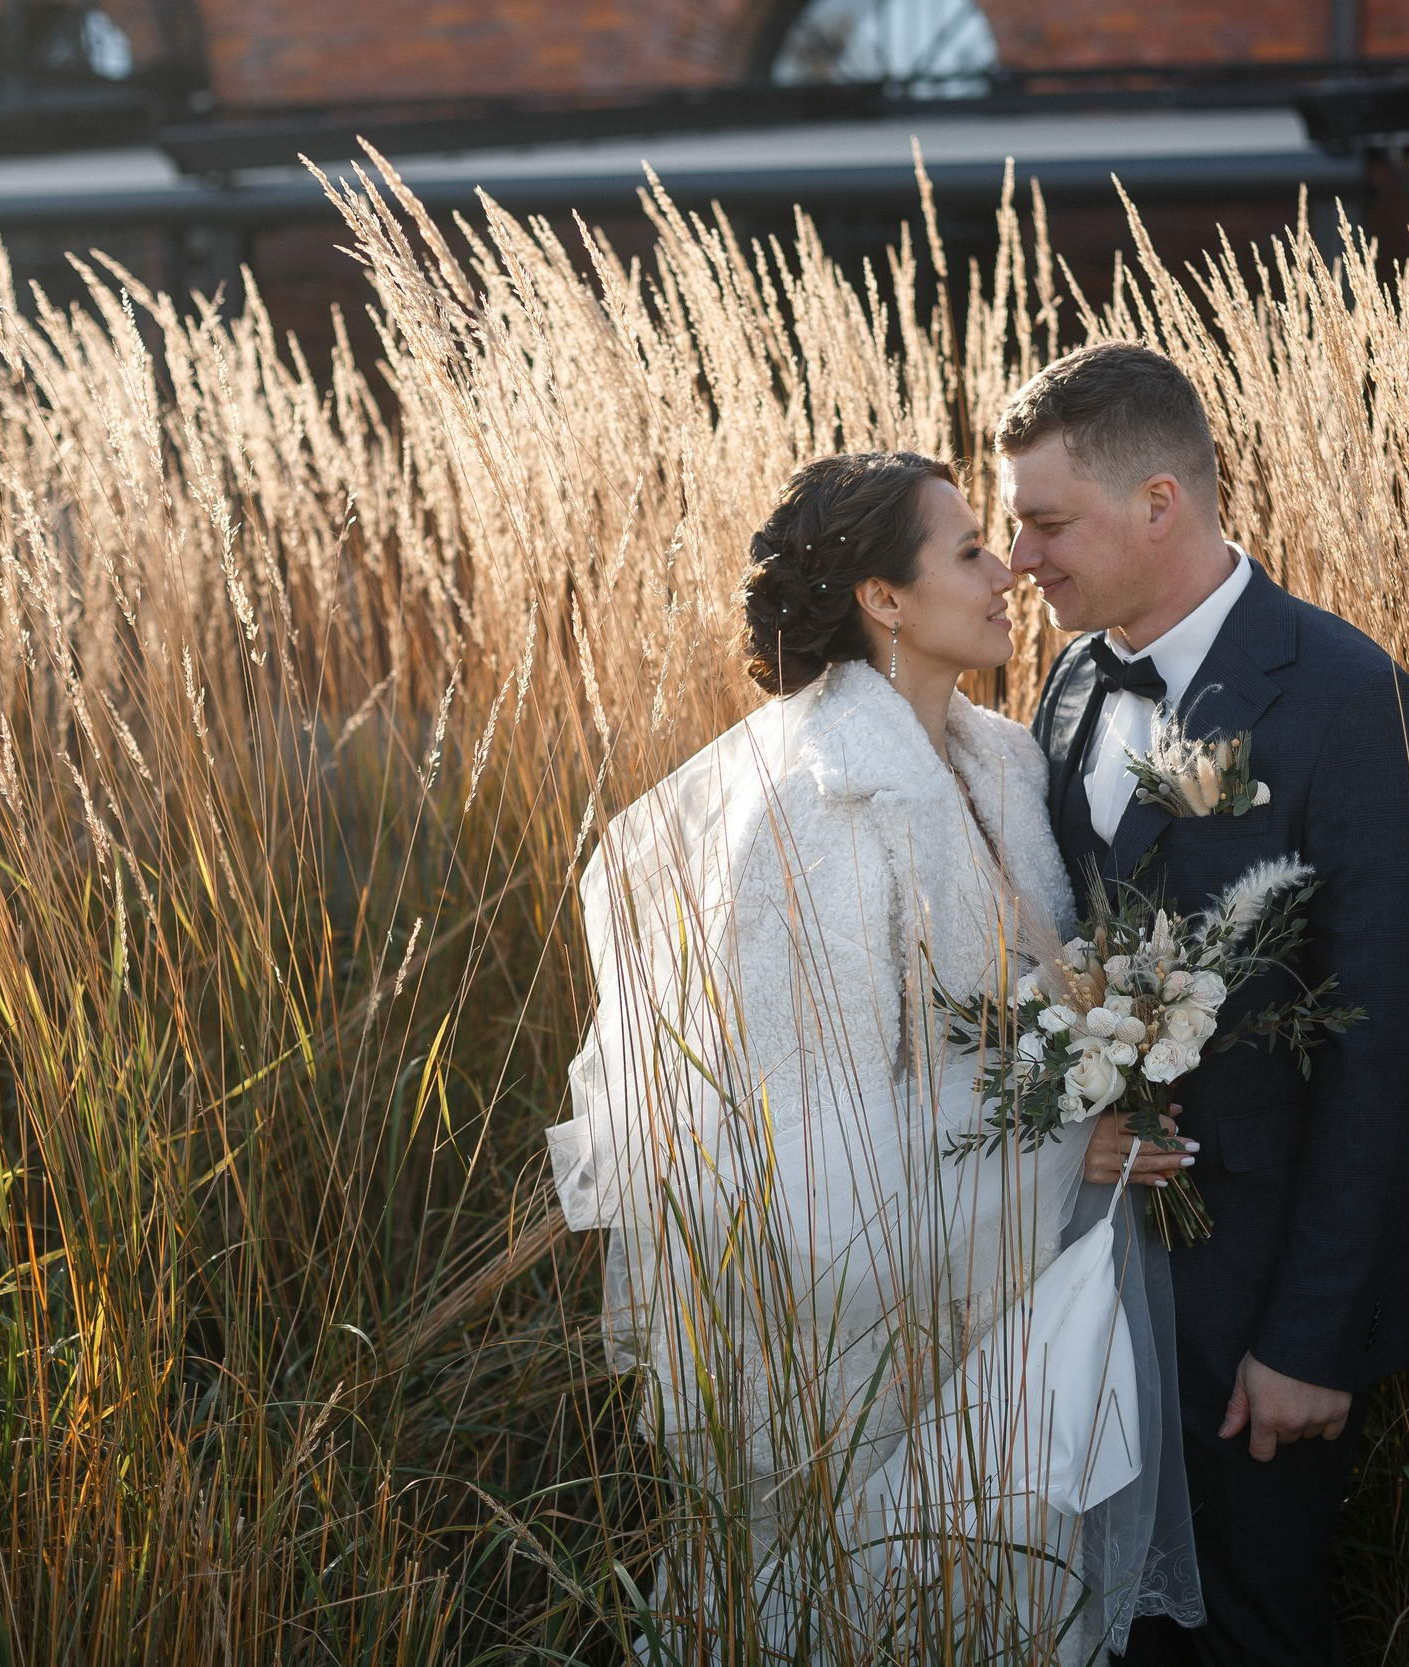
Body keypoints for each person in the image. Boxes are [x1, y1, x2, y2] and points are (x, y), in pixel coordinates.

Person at [548, 451, 1202, 1663]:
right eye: (966, 550)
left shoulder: (1004, 759)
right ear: (882, 599)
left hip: (1007, 1312)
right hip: (866, 1349)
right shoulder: (816, 804)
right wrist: (1070, 1141)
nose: (1007, 566)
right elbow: (808, 1140)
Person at [1002, 343, 1409, 1666]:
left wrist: (1312, 1335)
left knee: (1256, 1632)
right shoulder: (1077, 682)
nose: (1022, 557)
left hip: (1261, 1301)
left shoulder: (1347, 697)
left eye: (1046, 522)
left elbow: (1387, 1036)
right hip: (1090, 1276)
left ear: (1159, 503)